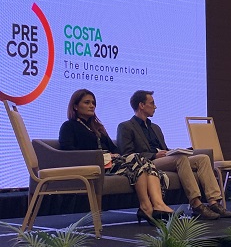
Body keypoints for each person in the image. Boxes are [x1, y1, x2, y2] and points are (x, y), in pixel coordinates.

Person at [59, 89, 174, 224]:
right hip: (93, 165)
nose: (92, 106)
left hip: (111, 162)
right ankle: (147, 205)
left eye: (93, 103)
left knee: (143, 162)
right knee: (138, 160)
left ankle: (156, 205)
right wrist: (99, 155)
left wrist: (114, 154)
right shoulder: (68, 126)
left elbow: (113, 148)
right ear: (75, 106)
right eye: (87, 102)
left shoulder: (97, 127)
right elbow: (69, 151)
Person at [117, 90, 231, 220]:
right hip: (147, 164)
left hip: (165, 159)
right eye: (152, 103)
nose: (155, 107)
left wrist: (177, 151)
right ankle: (196, 204)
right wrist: (154, 155)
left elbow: (164, 149)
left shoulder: (155, 127)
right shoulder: (126, 126)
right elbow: (127, 154)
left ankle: (213, 202)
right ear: (141, 105)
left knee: (203, 158)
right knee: (180, 159)